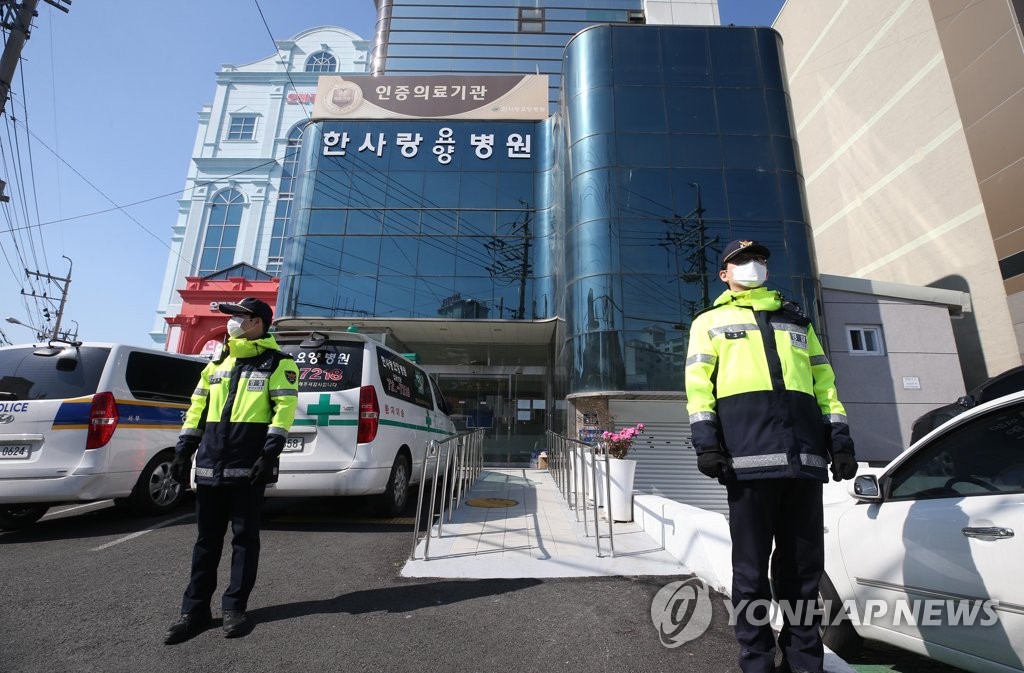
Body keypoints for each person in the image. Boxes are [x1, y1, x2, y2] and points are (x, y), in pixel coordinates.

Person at [684, 240, 857, 673]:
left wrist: (839, 441)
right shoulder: (709, 323)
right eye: (741, 260)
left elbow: (825, 385)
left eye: (759, 259)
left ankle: (804, 663)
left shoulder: (797, 321)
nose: (753, 265)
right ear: (724, 274)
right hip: (748, 465)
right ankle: (757, 662)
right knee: (750, 575)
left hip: (805, 465)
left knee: (803, 574)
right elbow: (699, 389)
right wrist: (707, 444)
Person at [164, 297, 299, 644]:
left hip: (248, 467)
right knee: (205, 541)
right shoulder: (217, 363)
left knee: (244, 539)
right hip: (210, 464)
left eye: (239, 316)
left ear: (257, 322)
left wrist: (268, 454)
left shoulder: (279, 363)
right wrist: (183, 452)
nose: (232, 322)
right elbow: (197, 408)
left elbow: (284, 411)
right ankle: (193, 611)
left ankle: (235, 607)